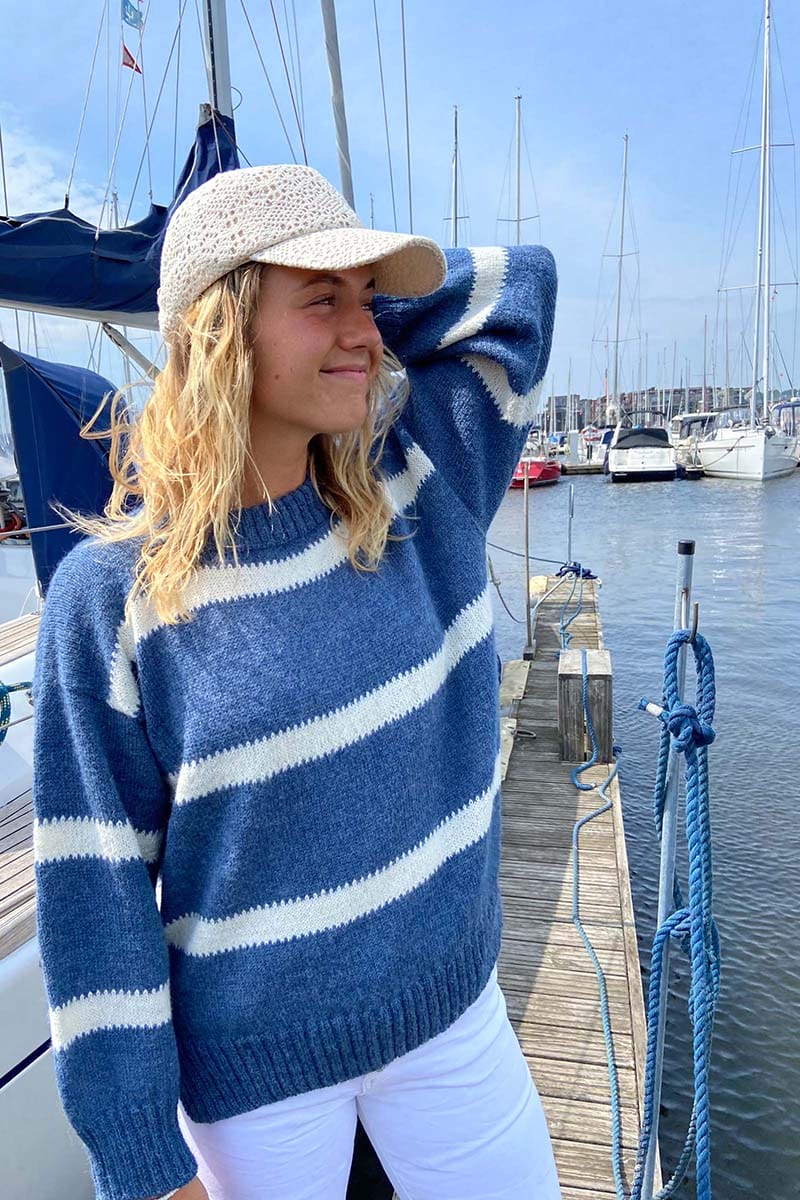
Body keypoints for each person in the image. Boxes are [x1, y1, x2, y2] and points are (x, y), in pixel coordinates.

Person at [31, 164, 560, 1200]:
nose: (364, 331)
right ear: (222, 330)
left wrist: (350, 311)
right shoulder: (113, 598)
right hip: (253, 1083)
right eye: (322, 299)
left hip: (452, 1023)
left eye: (370, 300)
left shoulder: (422, 484)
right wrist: (142, 1164)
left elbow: (520, 291)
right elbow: (95, 901)